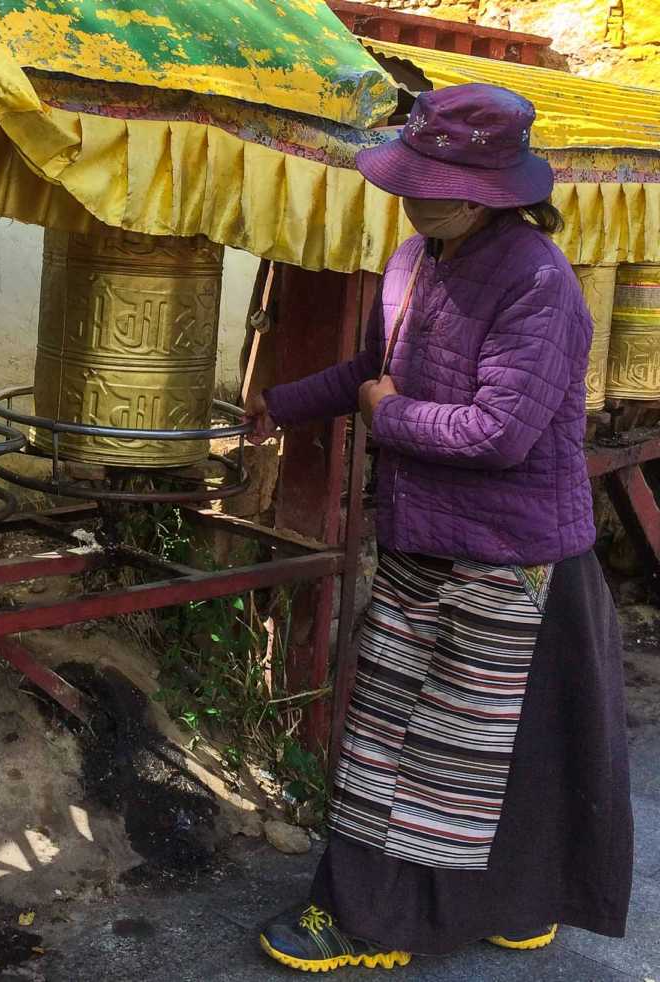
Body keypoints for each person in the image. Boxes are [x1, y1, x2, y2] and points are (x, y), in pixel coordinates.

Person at [248, 83, 633, 972]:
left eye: (426, 182)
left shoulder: (541, 284)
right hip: (432, 540)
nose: (407, 195)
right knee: (466, 739)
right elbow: (375, 369)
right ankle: (517, 901)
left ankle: (370, 922)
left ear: (485, 192)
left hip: (509, 555)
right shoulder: (417, 258)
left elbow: (499, 434)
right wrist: (280, 406)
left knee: (429, 747)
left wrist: (388, 417)